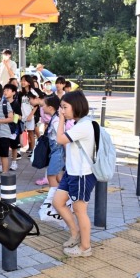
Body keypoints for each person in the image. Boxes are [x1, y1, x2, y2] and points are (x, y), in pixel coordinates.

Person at [52, 91, 96, 257]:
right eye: (61, 108)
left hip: (82, 175)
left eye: (65, 107)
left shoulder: (84, 125)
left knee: (80, 211)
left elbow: (60, 139)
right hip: (71, 173)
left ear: (76, 106)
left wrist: (61, 119)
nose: (62, 111)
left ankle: (85, 247)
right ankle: (75, 232)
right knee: (58, 202)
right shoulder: (79, 124)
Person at [38, 95, 67, 219]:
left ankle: (52, 201)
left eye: (43, 105)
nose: (42, 107)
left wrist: (67, 155)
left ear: (50, 107)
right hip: (55, 151)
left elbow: (63, 138)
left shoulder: (56, 121)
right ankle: (63, 198)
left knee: (51, 175)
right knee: (58, 177)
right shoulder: (54, 118)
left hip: (58, 151)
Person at [3, 83, 22, 170]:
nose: (5, 92)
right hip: (4, 127)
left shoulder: (16, 104)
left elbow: (20, 117)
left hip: (14, 129)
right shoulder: (2, 103)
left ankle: (14, 162)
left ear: (14, 92)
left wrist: (12, 117)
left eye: (7, 90)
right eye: (4, 90)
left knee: (14, 146)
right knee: (4, 145)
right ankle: (4, 163)